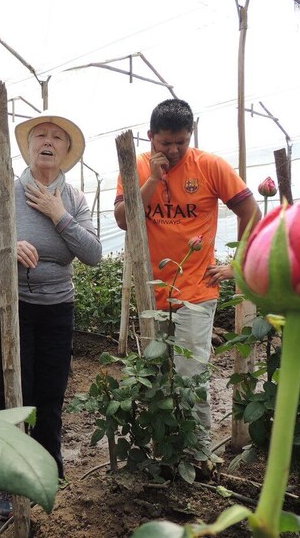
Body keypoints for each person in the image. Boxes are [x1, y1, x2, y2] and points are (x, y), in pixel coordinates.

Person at [0, 112, 102, 520]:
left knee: (50, 392)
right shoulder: (5, 194)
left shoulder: (75, 200)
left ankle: (47, 471)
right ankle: (8, 481)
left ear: (66, 151)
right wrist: (6, 249)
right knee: (10, 394)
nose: (47, 141)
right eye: (39, 136)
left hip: (58, 307)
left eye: (57, 137)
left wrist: (56, 213)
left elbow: (94, 256)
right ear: (28, 148)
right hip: (10, 305)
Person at [114, 98, 261, 436]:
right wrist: (153, 179)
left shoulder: (210, 166)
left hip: (196, 289)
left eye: (182, 141)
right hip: (152, 291)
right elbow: (125, 220)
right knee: (156, 376)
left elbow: (251, 213)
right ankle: (165, 451)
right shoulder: (134, 165)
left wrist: (239, 263)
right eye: (166, 142)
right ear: (150, 136)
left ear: (190, 134)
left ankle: (197, 452)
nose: (175, 149)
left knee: (190, 374)